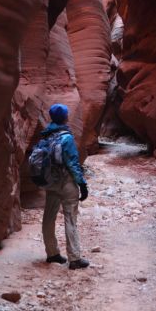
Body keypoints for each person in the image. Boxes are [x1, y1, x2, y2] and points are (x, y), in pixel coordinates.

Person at [41, 103, 89, 270]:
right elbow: (73, 163)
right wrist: (82, 184)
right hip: (67, 183)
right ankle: (74, 258)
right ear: (65, 117)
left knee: (49, 217)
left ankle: (52, 253)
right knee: (70, 218)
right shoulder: (66, 138)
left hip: (51, 183)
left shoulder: (46, 137)